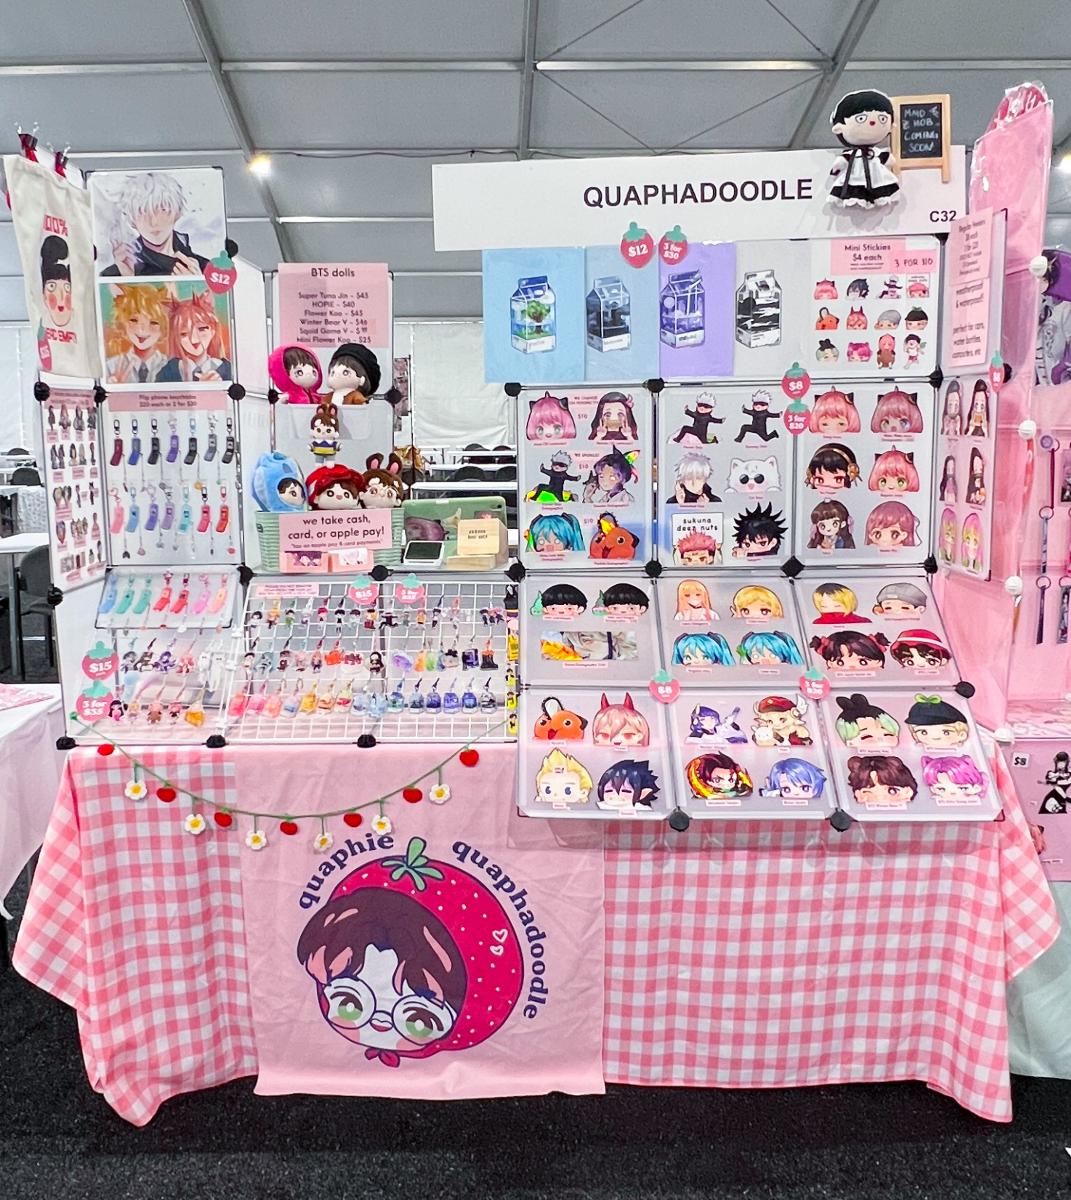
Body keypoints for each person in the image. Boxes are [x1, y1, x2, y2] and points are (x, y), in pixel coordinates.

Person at [101, 172, 211, 276]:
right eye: (142, 212)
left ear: (177, 212)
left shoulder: (205, 268)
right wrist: (128, 280)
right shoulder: (117, 272)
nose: (153, 222)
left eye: (163, 209)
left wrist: (198, 284)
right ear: (132, 219)